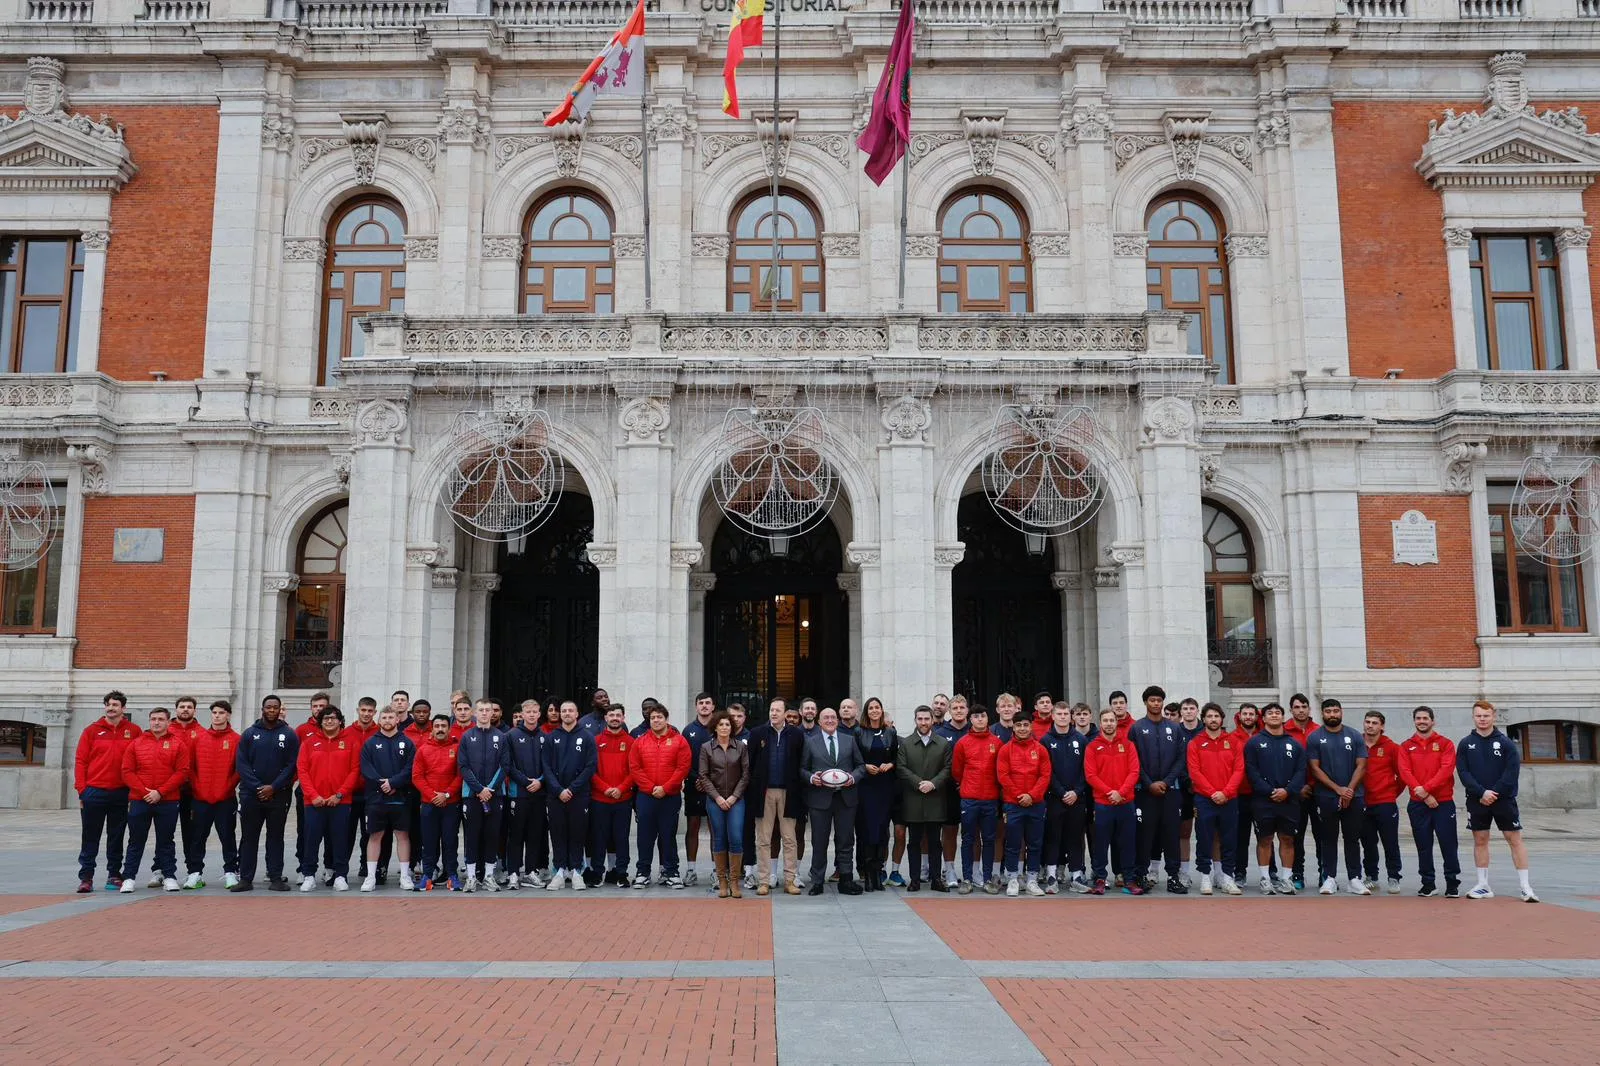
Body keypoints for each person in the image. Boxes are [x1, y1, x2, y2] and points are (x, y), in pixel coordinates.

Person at [1457, 699, 1537, 902]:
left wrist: (1494, 793)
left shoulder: (1506, 743)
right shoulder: (1466, 743)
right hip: (1477, 800)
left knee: (1514, 840)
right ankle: (1483, 885)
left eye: (1486, 716)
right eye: (1478, 716)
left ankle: (1525, 887)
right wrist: (1481, 792)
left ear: (1493, 716)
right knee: (1480, 840)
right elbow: (1463, 772)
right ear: (1473, 717)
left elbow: (1511, 773)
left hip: (1503, 800)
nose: (1482, 719)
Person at [75, 691, 141, 893]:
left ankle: (114, 874)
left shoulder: (134, 731)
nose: (111, 708)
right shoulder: (91, 731)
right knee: (90, 836)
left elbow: (139, 762)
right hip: (94, 792)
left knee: (117, 836)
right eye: (108, 704)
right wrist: (82, 790)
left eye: (115, 705)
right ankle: (86, 877)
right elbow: (81, 761)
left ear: (123, 708)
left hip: (121, 793)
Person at [118, 707, 188, 893]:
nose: (156, 722)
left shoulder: (178, 744)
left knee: (166, 841)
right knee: (135, 840)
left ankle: (170, 876)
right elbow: (127, 771)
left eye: (160, 719)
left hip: (168, 800)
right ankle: (129, 878)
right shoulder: (136, 743)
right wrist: (144, 792)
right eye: (153, 719)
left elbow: (182, 772)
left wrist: (161, 792)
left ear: (167, 722)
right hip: (140, 800)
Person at [235, 694, 299, 893]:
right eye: (268, 707)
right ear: (262, 709)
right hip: (251, 795)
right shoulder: (249, 733)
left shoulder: (289, 734)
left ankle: (275, 877)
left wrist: (274, 787)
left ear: (280, 710)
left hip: (278, 795)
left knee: (275, 837)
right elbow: (242, 764)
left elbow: (292, 765)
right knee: (248, 837)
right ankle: (245, 878)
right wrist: (257, 787)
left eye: (275, 708)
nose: (272, 710)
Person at [800, 707, 865, 896]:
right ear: (819, 721)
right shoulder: (810, 742)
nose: (829, 720)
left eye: (832, 717)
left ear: (837, 721)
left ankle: (846, 879)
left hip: (846, 798)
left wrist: (853, 777)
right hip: (820, 799)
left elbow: (860, 766)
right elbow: (802, 769)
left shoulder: (849, 740)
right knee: (819, 841)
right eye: (825, 717)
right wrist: (812, 778)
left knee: (846, 840)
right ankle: (817, 881)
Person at [1308, 698, 1369, 895]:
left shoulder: (1354, 736)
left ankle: (1354, 878)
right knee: (1328, 838)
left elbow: (1362, 764)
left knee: (1352, 838)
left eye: (1336, 711)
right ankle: (1330, 878)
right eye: (1328, 711)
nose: (1332, 714)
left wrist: (1349, 790)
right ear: (1323, 713)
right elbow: (1314, 768)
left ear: (1341, 712)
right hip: (1326, 797)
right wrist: (1338, 789)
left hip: (1355, 796)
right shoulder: (1315, 737)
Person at [1397, 705, 1460, 898]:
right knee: (1423, 845)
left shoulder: (1445, 744)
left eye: (1425, 718)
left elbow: (1446, 769)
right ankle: (1428, 883)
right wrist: (1424, 794)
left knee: (1448, 843)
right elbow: (1405, 772)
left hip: (1443, 803)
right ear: (1414, 721)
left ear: (1433, 721)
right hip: (1418, 804)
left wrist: (1427, 789)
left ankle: (1452, 883)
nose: (1422, 721)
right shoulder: (1406, 746)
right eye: (1418, 718)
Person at [1129, 685, 1186, 894]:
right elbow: (1133, 760)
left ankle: (1173, 876)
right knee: (1145, 835)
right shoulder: (1136, 728)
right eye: (1152, 700)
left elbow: (1181, 758)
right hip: (1145, 792)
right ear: (1145, 702)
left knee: (1172, 834)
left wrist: (1168, 781)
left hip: (1171, 791)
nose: (1156, 703)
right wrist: (1148, 783)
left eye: (1159, 700)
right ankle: (1141, 875)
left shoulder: (1174, 728)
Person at [1245, 703, 1305, 895]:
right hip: (1263, 801)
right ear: (1263, 718)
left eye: (1277, 713)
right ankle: (1265, 878)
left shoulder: (1294, 743)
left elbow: (1301, 771)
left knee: (1287, 839)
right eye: (1270, 713)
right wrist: (1269, 791)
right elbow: (1251, 771)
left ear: (1283, 717)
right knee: (1265, 839)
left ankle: (1286, 879)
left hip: (1289, 800)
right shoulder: (1254, 742)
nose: (1274, 716)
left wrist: (1288, 791)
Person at [295, 706, 357, 892]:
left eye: (333, 718)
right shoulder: (309, 743)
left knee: (339, 840)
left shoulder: (351, 742)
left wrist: (339, 794)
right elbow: (302, 770)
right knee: (311, 840)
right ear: (320, 722)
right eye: (325, 719)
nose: (329, 721)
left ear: (340, 721)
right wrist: (313, 795)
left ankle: (340, 875)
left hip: (340, 802)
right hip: (314, 802)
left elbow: (355, 770)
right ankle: (308, 875)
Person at [630, 703, 691, 888]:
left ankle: (671, 872)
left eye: (659, 717)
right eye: (653, 718)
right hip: (646, 797)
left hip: (669, 796)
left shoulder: (679, 741)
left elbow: (683, 768)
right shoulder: (640, 741)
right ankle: (643, 872)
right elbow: (635, 767)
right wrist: (650, 788)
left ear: (666, 719)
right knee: (645, 836)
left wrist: (665, 788)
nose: (656, 720)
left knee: (668, 835)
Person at [1186, 703, 1244, 896]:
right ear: (1203, 719)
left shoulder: (1233, 742)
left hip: (1229, 799)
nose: (1213, 720)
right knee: (1204, 838)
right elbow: (1194, 772)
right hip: (1205, 799)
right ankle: (1205, 876)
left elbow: (1239, 770)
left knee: (1229, 839)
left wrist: (1226, 792)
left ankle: (1227, 877)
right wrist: (1212, 792)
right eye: (1209, 716)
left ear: (1222, 719)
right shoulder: (1195, 743)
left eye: (1216, 716)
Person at [749, 699, 805, 896]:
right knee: (763, 838)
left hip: (788, 793)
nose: (773, 713)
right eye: (771, 710)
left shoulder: (797, 735)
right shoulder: (757, 734)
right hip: (764, 792)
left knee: (789, 838)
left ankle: (790, 880)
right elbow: (751, 763)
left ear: (785, 713)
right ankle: (763, 880)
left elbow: (800, 763)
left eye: (777, 710)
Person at [359, 705, 416, 892]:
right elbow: (366, 768)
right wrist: (382, 784)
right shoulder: (370, 743)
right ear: (379, 720)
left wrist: (393, 783)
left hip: (400, 798)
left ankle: (405, 876)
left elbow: (410, 769)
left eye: (391, 717)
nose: (388, 721)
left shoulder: (407, 743)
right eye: (384, 718)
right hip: (376, 799)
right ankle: (370, 877)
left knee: (403, 836)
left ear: (397, 719)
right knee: (374, 836)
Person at [1085, 708, 1141, 895]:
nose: (1109, 723)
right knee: (1101, 843)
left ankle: (1129, 879)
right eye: (1105, 720)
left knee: (1128, 843)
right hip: (1103, 804)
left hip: (1126, 803)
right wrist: (1110, 792)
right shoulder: (1093, 746)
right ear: (1100, 724)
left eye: (1112, 720)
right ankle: (1100, 878)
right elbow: (1091, 775)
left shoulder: (1128, 745)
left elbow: (1134, 772)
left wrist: (1121, 792)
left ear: (1117, 723)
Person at [542, 700, 596, 891]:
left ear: (577, 713)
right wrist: (559, 790)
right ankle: (559, 871)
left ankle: (576, 871)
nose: (566, 713)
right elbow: (546, 767)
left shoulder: (587, 737)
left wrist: (572, 789)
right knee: (557, 834)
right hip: (555, 795)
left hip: (579, 795)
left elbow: (590, 766)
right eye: (563, 711)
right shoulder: (551, 737)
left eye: (570, 710)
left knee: (577, 834)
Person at [186, 699, 240, 890]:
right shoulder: (198, 738)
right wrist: (197, 787)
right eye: (215, 713)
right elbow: (190, 767)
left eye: (221, 713)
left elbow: (239, 769)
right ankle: (195, 873)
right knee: (198, 837)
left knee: (227, 837)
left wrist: (227, 788)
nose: (217, 716)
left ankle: (231, 872)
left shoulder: (236, 739)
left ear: (228, 715)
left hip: (225, 799)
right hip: (201, 798)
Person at [896, 706, 951, 893]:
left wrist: (933, 783)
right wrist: (919, 783)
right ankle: (915, 879)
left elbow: (947, 768)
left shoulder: (943, 743)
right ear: (915, 720)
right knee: (914, 842)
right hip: (914, 799)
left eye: (926, 719)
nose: (923, 722)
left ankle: (936, 879)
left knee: (935, 842)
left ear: (932, 720)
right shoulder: (906, 743)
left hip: (935, 799)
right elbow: (901, 767)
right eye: (920, 719)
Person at [697, 710, 751, 899]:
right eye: (721, 724)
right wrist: (718, 797)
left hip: (736, 800)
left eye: (728, 724)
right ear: (715, 727)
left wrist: (734, 797)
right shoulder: (706, 747)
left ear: (732, 727)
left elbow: (746, 775)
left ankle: (735, 881)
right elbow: (703, 775)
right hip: (715, 800)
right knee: (719, 838)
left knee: (735, 837)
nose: (724, 727)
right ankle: (722, 880)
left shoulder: (741, 747)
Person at [1040, 702, 1091, 894]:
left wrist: (1076, 791)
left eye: (1065, 714)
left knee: (1075, 837)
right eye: (1059, 714)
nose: (1062, 717)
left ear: (1071, 717)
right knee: (1053, 837)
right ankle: (1052, 875)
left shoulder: (1081, 740)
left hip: (1077, 798)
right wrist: (1061, 792)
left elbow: (1086, 770)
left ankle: (1077, 875)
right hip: (1055, 797)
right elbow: (1047, 771)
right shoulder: (1045, 740)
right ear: (1052, 716)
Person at [997, 712, 1050, 897]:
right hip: (1014, 804)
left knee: (1035, 844)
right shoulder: (1006, 749)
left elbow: (1045, 775)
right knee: (1013, 843)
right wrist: (1020, 795)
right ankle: (1012, 878)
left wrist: (1032, 795)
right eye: (1018, 725)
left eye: (1025, 725)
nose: (1022, 729)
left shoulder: (1040, 749)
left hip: (1036, 804)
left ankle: (1032, 880)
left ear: (1031, 726)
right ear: (1013, 726)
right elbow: (1003, 776)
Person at [951, 704, 1001, 894]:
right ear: (970, 720)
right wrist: (965, 786)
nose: (980, 719)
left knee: (989, 839)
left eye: (983, 716)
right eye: (976, 716)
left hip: (990, 799)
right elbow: (957, 771)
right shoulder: (963, 743)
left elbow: (1000, 771)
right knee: (968, 839)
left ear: (988, 719)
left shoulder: (996, 743)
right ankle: (967, 879)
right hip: (969, 799)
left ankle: (987, 879)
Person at [459, 699, 509, 891]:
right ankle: (471, 877)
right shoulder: (466, 737)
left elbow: (504, 766)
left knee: (492, 835)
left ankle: (489, 876)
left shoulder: (501, 737)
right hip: (472, 795)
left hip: (495, 795)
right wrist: (479, 789)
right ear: (475, 712)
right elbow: (464, 766)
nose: (485, 713)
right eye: (481, 710)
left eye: (488, 710)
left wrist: (490, 789)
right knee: (471, 836)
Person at [413, 712, 463, 890]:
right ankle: (427, 875)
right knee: (429, 841)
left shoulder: (457, 749)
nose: (440, 729)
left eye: (443, 726)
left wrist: (447, 795)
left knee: (450, 841)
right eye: (437, 727)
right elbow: (417, 777)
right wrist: (433, 796)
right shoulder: (423, 750)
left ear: (449, 729)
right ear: (432, 729)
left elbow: (460, 775)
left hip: (451, 804)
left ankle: (452, 875)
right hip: (429, 804)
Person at [588, 703, 635, 887]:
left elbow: (635, 770)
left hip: (623, 799)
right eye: (611, 715)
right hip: (600, 798)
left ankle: (621, 873)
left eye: (618, 715)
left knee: (622, 837)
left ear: (623, 718)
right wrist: (605, 788)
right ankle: (597, 873)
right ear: (605, 718)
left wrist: (621, 788)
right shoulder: (595, 740)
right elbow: (590, 769)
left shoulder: (632, 742)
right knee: (599, 837)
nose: (615, 718)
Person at [854, 697, 899, 892]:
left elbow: (897, 757)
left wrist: (891, 764)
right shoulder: (858, 732)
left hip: (885, 786)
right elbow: (854, 759)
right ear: (866, 711)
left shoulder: (890, 732)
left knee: (882, 830)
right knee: (867, 830)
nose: (874, 710)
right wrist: (864, 767)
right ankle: (868, 875)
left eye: (877, 707)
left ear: (882, 710)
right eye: (871, 708)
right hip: (866, 787)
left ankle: (878, 871)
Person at [1359, 711, 1404, 893]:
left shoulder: (1392, 747)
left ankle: (1394, 877)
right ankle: (1371, 876)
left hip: (1385, 803)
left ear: (1382, 726)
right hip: (1362, 803)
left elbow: (1402, 776)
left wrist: (1391, 793)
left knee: (1390, 842)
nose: (1370, 725)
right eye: (1368, 722)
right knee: (1368, 842)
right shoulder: (1356, 744)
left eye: (1375, 723)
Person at [505, 699, 547, 889]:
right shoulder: (511, 736)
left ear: (539, 714)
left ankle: (531, 872)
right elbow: (508, 765)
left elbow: (550, 764)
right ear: (522, 714)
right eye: (527, 711)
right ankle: (513, 872)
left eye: (534, 711)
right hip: (517, 794)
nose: (531, 715)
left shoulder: (544, 736)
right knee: (516, 835)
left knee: (535, 834)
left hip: (538, 793)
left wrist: (540, 781)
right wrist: (525, 781)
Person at [934, 695, 970, 888]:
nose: (958, 711)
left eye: (962, 707)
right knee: (949, 831)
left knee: (971, 832)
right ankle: (949, 870)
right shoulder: (939, 732)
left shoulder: (974, 730)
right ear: (949, 710)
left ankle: (973, 871)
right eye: (954, 708)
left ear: (967, 710)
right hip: (948, 791)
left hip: (971, 790)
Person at [681, 693, 716, 886]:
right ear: (696, 707)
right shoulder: (688, 731)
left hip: (715, 787)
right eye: (701, 703)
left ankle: (715, 870)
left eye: (707, 703)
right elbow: (684, 760)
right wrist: (697, 779)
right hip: (694, 785)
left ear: (713, 706)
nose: (704, 706)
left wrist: (709, 781)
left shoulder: (719, 727)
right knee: (693, 827)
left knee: (714, 828)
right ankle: (691, 870)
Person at [1285, 692, 1318, 890]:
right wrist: (1296, 787)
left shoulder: (1319, 731)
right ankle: (1297, 873)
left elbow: (1324, 765)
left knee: (1321, 835)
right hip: (1294, 794)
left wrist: (1311, 784)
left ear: (1309, 709)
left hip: (1318, 792)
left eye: (1304, 706)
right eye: (1297, 707)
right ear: (1291, 710)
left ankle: (1325, 873)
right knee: (1294, 837)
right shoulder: (1283, 731)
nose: (1301, 710)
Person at [1228, 704, 1261, 886]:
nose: (1248, 717)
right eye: (1245, 714)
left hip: (1260, 794)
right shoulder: (1232, 738)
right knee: (1240, 837)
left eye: (1251, 714)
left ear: (1257, 717)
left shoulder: (1264, 736)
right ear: (1239, 716)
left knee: (1265, 837)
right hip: (1239, 794)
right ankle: (1239, 872)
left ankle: (1270, 872)